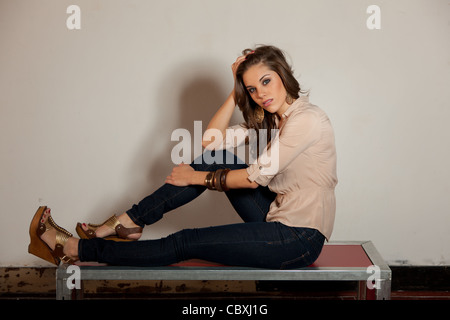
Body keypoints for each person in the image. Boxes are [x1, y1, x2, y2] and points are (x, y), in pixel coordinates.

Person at [28, 45, 337, 269]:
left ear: (283, 74)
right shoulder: (273, 119)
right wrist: (235, 89)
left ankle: (74, 248)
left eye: (266, 82)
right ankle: (130, 222)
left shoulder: (306, 120)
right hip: (275, 216)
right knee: (219, 156)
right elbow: (211, 142)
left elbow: (254, 177)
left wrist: (195, 178)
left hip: (298, 238)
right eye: (252, 89)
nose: (260, 95)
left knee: (185, 241)